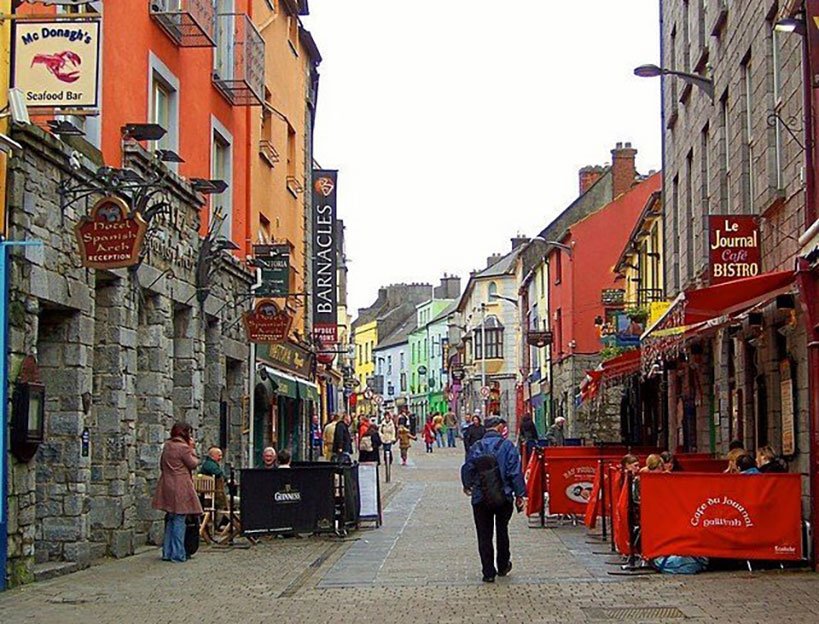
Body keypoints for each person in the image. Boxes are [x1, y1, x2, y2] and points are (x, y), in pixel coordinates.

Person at [461, 416, 526, 583]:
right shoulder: (507, 446)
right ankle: (503, 565)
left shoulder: (477, 446)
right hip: (503, 496)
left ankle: (488, 572)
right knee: (502, 530)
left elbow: (468, 468)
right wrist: (519, 494)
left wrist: (468, 485)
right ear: (498, 427)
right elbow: (515, 472)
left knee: (484, 534)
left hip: (481, 497)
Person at [152, 421, 203, 563]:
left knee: (170, 518)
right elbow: (192, 464)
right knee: (180, 518)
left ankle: (167, 552)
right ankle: (178, 553)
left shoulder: (167, 446)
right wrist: (193, 449)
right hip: (180, 485)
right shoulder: (183, 448)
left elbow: (161, 464)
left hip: (166, 484)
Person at [199, 446, 228, 511]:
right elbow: (219, 474)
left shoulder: (208, 464)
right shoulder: (210, 465)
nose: (221, 458)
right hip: (213, 494)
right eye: (219, 456)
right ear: (213, 456)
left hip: (208, 493)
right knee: (235, 501)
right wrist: (227, 479)